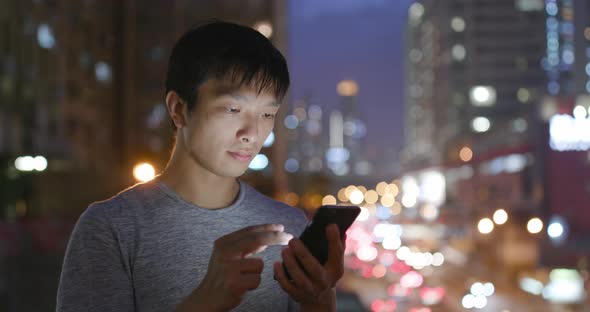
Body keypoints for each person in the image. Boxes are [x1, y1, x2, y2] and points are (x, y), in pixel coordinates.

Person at [56, 21, 345, 312]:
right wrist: (205, 301)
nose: (252, 132)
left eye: (267, 113)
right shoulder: (111, 228)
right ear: (179, 109)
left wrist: (318, 300)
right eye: (233, 109)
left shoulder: (289, 228)